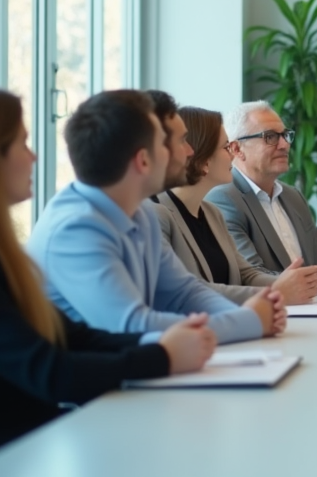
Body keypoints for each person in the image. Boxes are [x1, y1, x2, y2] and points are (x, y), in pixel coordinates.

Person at [0, 88, 215, 467]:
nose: (34, 157)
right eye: (23, 143)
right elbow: (50, 370)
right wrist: (162, 355)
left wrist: (170, 342)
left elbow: (72, 335)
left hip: (24, 450)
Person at [28, 90, 285, 344]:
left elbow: (183, 294)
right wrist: (249, 321)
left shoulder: (141, 213)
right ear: (143, 160)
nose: (188, 152)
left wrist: (246, 316)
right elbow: (132, 326)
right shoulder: (76, 229)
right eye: (177, 141)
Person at [207, 101, 317, 294]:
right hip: (275, 315)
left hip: (314, 311)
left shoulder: (292, 196)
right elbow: (252, 277)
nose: (284, 144)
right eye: (270, 137)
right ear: (237, 149)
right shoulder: (224, 199)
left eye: (285, 135)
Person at [152, 106, 317, 306]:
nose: (233, 154)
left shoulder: (212, 213)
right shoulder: (156, 214)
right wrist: (276, 291)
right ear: (203, 160)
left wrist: (288, 283)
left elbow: (245, 274)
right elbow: (189, 290)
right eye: (226, 148)